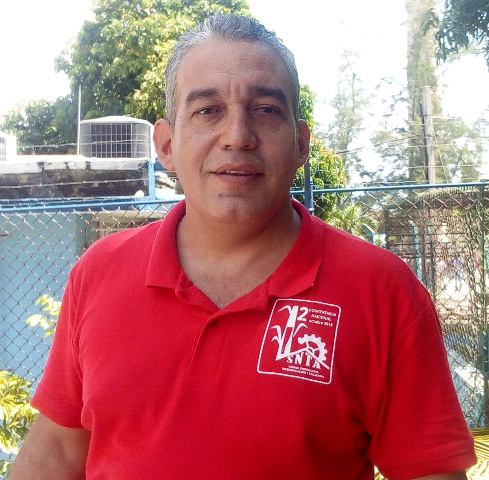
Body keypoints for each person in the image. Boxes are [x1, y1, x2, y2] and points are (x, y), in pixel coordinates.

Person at [9, 13, 476, 480]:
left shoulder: (382, 291)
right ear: (166, 144)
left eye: (266, 110)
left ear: (300, 144)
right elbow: (57, 452)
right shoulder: (99, 272)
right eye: (207, 110)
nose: (237, 136)